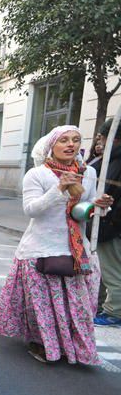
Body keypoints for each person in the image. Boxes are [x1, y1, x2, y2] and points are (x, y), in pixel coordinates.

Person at [0, 125, 112, 363]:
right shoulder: (37, 174)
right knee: (43, 308)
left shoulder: (87, 173)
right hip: (41, 249)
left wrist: (101, 205)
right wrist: (59, 189)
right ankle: (42, 343)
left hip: (77, 250)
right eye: (64, 140)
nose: (70, 145)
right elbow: (31, 209)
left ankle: (72, 346)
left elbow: (85, 209)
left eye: (75, 140)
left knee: (76, 308)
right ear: (51, 146)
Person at [89, 119, 121, 327]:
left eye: (101, 137)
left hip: (111, 224)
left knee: (111, 270)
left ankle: (113, 311)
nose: (99, 141)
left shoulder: (115, 162)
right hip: (112, 223)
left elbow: (106, 192)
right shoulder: (109, 160)